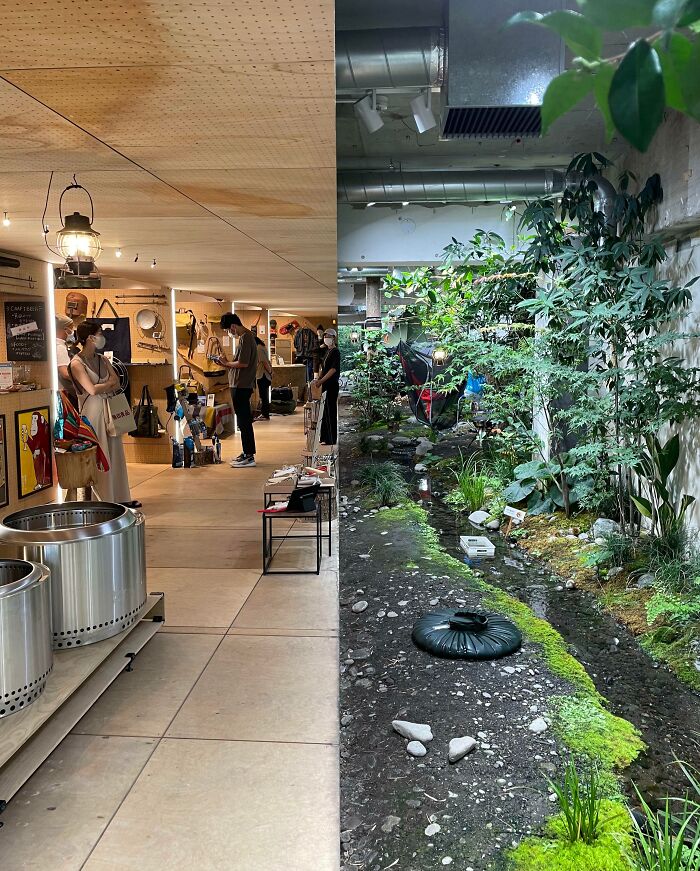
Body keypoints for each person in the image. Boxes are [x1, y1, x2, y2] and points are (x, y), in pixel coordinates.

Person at [69, 322, 140, 507]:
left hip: (108, 408)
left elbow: (117, 381)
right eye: (99, 333)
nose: (102, 336)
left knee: (115, 451)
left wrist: (105, 385)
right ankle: (103, 499)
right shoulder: (76, 363)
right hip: (91, 413)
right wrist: (107, 385)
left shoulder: (102, 359)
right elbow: (91, 390)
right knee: (100, 455)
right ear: (90, 337)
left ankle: (119, 497)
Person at [218, 313, 258, 468]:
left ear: (233, 326)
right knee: (243, 421)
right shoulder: (245, 338)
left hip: (242, 385)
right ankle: (247, 452)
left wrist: (227, 363)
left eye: (229, 329)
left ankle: (249, 455)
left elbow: (243, 363)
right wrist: (226, 363)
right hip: (239, 384)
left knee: (244, 421)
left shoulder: (246, 337)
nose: (230, 332)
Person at [312, 328, 340, 445]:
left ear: (334, 338)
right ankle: (324, 437)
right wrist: (319, 379)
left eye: (328, 336)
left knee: (331, 411)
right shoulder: (327, 351)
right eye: (325, 336)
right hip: (325, 384)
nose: (326, 338)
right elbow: (324, 368)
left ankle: (331, 438)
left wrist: (321, 380)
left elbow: (333, 370)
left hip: (332, 384)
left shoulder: (335, 352)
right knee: (325, 411)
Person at [55, 314, 78, 406]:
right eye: (71, 329)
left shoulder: (50, 344)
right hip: (62, 392)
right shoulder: (60, 347)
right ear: (65, 329)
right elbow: (64, 373)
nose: (72, 332)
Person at [255, 336, 272, 421]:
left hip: (262, 375)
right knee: (265, 395)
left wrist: (270, 371)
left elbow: (264, 362)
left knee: (263, 396)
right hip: (266, 375)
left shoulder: (258, 349)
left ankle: (265, 414)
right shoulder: (263, 347)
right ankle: (265, 413)